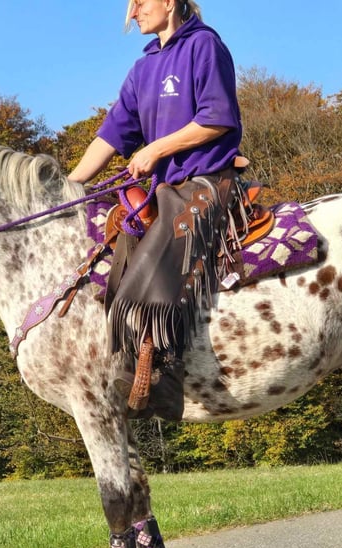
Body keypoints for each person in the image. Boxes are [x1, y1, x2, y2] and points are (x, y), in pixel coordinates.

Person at [69, 0, 243, 421]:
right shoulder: (142, 68)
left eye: (140, 2)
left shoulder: (204, 45)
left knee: (157, 251)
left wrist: (156, 149)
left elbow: (217, 119)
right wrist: (68, 190)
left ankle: (163, 373)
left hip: (206, 181)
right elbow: (110, 137)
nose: (133, 13)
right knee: (117, 248)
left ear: (169, 2)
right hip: (161, 190)